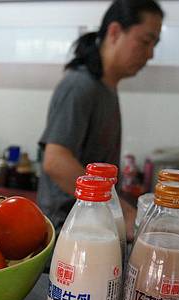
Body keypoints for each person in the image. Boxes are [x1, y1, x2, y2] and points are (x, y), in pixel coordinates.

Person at [37, 0, 163, 239]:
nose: (150, 54)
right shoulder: (80, 85)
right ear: (115, 32)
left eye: (155, 44)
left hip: (94, 222)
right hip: (70, 228)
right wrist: (121, 211)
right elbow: (56, 161)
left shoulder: (105, 86)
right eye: (145, 41)